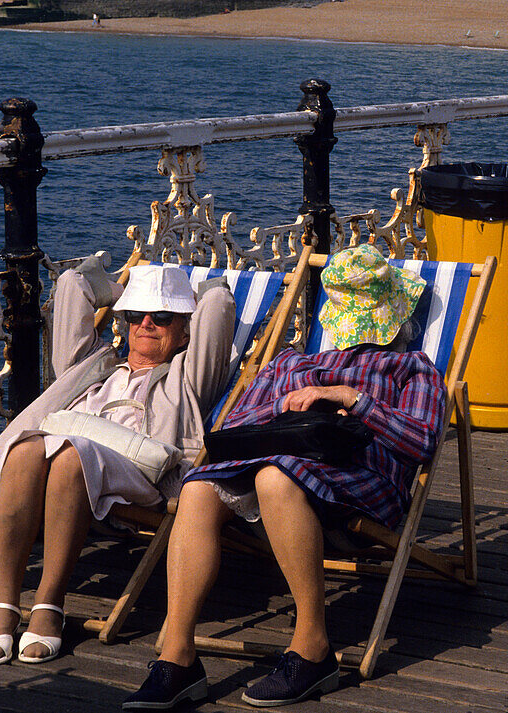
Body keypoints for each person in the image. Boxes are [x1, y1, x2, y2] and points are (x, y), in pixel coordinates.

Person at [123, 244, 447, 710]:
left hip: (358, 482)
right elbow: (231, 429)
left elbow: (421, 444)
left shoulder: (412, 368)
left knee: (276, 477)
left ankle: (313, 648)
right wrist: (291, 404)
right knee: (197, 488)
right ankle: (178, 657)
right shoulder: (290, 363)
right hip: (271, 470)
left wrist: (354, 400)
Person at [0, 261, 235, 666]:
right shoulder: (94, 364)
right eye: (135, 315)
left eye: (162, 316)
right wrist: (121, 289)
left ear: (185, 330)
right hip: (69, 456)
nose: (146, 323)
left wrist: (193, 293)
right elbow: (73, 284)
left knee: (70, 455)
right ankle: (3, 603)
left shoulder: (188, 374)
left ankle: (48, 603)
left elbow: (217, 304)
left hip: (142, 472)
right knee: (24, 450)